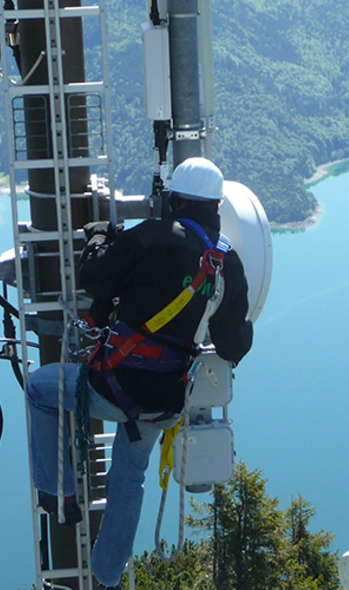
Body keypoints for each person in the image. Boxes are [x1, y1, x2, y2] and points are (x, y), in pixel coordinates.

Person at [25, 157, 253, 589]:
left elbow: (95, 277)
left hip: (113, 383)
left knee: (40, 390)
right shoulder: (227, 263)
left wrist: (96, 239)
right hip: (164, 401)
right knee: (129, 476)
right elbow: (232, 344)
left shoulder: (153, 236)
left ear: (174, 199)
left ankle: (58, 493)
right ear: (217, 205)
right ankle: (108, 576)